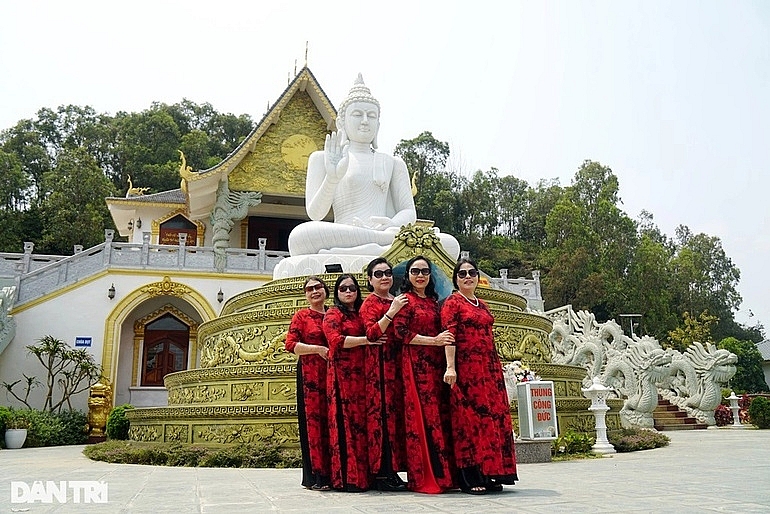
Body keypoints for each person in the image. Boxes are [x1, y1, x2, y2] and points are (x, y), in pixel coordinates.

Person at [287, 74, 459, 258]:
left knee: (450, 244)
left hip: (386, 233)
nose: (364, 121)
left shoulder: (393, 162)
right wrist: (332, 178)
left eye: (371, 116)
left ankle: (373, 249)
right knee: (300, 237)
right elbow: (315, 214)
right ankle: (383, 251)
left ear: (378, 123)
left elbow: (409, 211)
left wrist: (392, 224)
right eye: (357, 114)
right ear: (341, 122)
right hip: (346, 232)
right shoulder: (322, 158)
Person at [442, 258, 518, 494]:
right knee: (470, 420)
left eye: (472, 273)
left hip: (489, 369)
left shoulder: (482, 304)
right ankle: (471, 476)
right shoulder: (452, 303)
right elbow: (449, 336)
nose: (467, 277)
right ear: (455, 278)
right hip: (467, 369)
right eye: (462, 273)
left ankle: (494, 473)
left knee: (493, 419)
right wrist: (451, 367)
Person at [392, 255, 455, 493]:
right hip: (415, 364)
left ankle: (445, 474)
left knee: (439, 414)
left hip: (436, 363)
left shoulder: (433, 301)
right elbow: (401, 333)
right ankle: (425, 475)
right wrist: (434, 341)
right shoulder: (404, 301)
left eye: (425, 271)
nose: (420, 275)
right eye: (415, 271)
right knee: (422, 415)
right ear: (408, 275)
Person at [324, 273, 384, 491]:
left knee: (363, 425)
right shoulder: (333, 314)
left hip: (364, 376)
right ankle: (347, 477)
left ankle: (365, 476)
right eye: (343, 289)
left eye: (352, 288)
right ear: (337, 293)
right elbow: (335, 341)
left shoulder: (361, 314)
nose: (348, 292)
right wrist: (367, 341)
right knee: (345, 423)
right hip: (342, 376)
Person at [359, 257, 409, 491]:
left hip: (400, 364)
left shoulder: (398, 299)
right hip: (379, 366)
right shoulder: (370, 303)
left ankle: (396, 468)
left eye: (388, 272)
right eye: (378, 274)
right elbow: (371, 333)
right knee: (382, 417)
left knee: (399, 416)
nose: (385, 277)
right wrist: (391, 312)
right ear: (370, 279)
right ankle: (382, 471)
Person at [284, 276, 332, 490]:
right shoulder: (302, 316)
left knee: (334, 421)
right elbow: (291, 344)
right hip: (310, 374)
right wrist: (318, 349)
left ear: (326, 290)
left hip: (335, 374)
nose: (314, 291)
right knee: (314, 423)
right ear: (305, 294)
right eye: (309, 289)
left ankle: (337, 472)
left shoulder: (334, 313)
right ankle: (317, 474)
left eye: (318, 287)